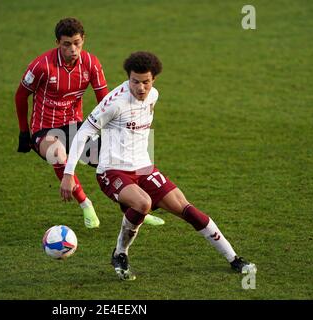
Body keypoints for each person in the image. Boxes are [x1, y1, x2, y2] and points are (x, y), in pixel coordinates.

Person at [60, 51, 256, 280]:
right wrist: (68, 173)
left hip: (144, 168)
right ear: (128, 78)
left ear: (154, 80)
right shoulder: (115, 103)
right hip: (112, 170)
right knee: (143, 203)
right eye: (135, 81)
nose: (140, 88)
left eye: (146, 82)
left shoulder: (153, 96)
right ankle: (120, 253)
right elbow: (83, 132)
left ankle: (234, 259)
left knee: (189, 211)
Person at [15, 18, 164, 228]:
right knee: (58, 153)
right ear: (57, 42)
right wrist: (24, 132)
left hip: (76, 128)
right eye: (67, 44)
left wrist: (116, 135)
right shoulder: (42, 66)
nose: (73, 49)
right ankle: (86, 204)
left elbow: (105, 100)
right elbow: (21, 96)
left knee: (121, 160)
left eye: (77, 43)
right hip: (45, 131)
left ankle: (138, 208)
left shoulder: (91, 63)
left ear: (83, 40)